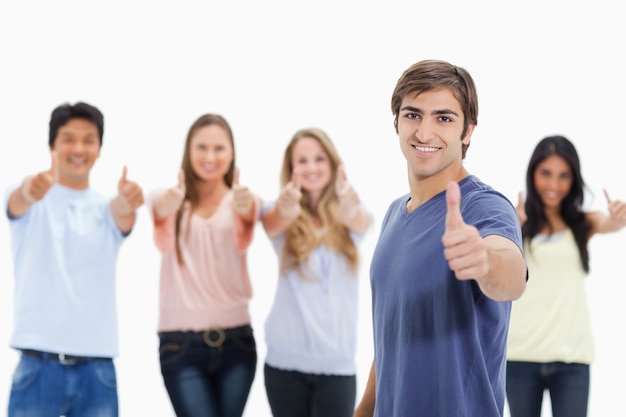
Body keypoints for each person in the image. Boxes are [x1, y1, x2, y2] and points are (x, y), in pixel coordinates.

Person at [352, 59, 527, 417]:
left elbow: (510, 275)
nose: (425, 132)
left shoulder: (484, 208)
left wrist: (485, 261)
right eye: (413, 115)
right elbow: (392, 340)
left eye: (444, 118)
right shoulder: (393, 216)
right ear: (397, 123)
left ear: (468, 131)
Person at [4, 101, 144, 417]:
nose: (78, 148)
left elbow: (122, 215)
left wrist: (126, 202)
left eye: (88, 139)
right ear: (52, 145)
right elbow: (19, 199)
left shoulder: (106, 208)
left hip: (97, 368)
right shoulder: (31, 200)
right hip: (37, 366)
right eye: (68, 138)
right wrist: (31, 188)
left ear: (99, 148)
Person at [147, 113, 260, 417]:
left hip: (238, 343)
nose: (210, 156)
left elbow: (247, 226)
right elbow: (158, 218)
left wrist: (246, 209)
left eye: (219, 148)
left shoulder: (244, 200)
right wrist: (167, 209)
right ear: (188, 150)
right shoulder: (165, 198)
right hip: (180, 347)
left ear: (232, 152)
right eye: (202, 147)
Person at [505, 135, 626, 417]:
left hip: (572, 360)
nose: (554, 185)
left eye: (563, 176)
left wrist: (619, 219)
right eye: (546, 173)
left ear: (574, 179)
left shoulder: (583, 223)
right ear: (532, 173)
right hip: (520, 357)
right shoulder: (514, 222)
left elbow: (610, 223)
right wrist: (510, 228)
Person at [261, 127, 371, 417]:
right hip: (284, 363)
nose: (311, 167)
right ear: (291, 168)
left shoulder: (353, 213)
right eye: (302, 160)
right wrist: (286, 210)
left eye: (319, 158)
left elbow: (360, 221)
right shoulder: (278, 213)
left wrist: (346, 209)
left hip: (337, 365)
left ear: (333, 164)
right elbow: (272, 223)